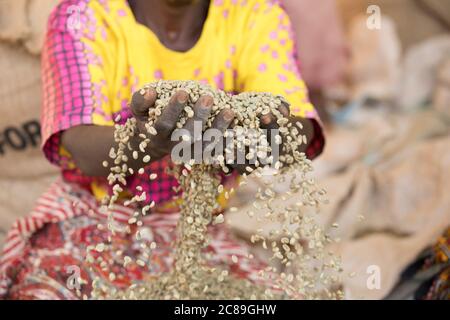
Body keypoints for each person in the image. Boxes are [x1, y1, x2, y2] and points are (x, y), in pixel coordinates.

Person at [0, 0, 324, 299]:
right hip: (95, 214)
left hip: (198, 225)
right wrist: (147, 141)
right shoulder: (83, 17)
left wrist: (254, 140)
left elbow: (298, 127)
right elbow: (80, 146)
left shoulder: (255, 15)